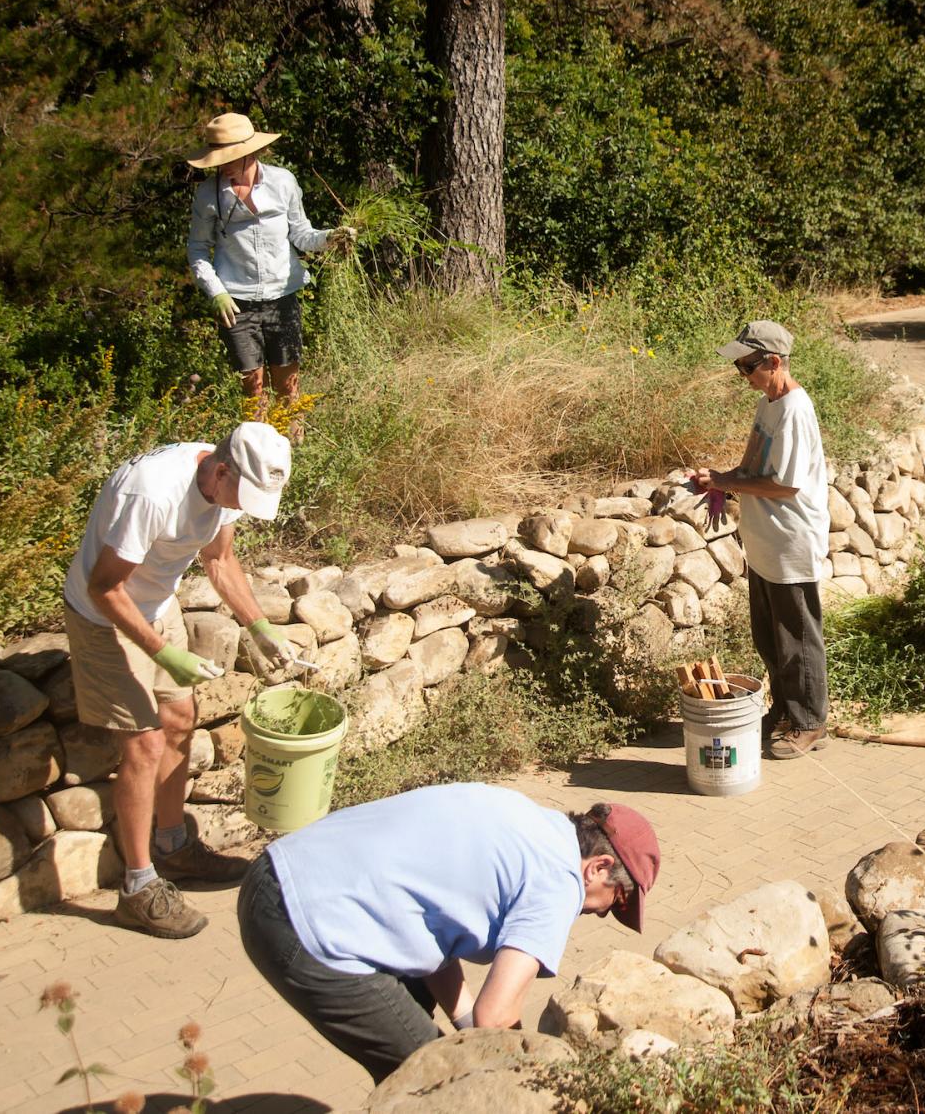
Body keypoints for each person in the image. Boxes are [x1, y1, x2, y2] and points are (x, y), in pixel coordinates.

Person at [238, 786, 660, 1082]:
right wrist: (529, 1078)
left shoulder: (533, 823)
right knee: (435, 1076)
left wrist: (466, 1024)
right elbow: (496, 1018)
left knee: (417, 1023)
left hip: (276, 875)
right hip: (308, 922)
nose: (603, 913)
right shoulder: (559, 881)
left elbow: (434, 937)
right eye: (616, 900)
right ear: (599, 867)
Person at [62, 422, 302, 938]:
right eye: (244, 494)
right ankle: (138, 887)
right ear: (220, 472)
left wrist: (261, 629)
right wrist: (166, 653)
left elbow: (220, 561)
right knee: (144, 745)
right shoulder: (151, 493)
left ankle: (174, 848)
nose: (242, 507)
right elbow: (103, 587)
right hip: (105, 616)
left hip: (154, 603)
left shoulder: (226, 483)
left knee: (179, 720)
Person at [687, 321, 832, 760]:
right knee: (771, 640)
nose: (743, 375)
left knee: (797, 640)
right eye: (738, 367)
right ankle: (785, 711)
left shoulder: (793, 410)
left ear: (774, 361)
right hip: (767, 542)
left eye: (748, 366)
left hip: (790, 542)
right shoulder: (770, 403)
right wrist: (721, 480)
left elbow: (784, 485)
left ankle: (810, 722)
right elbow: (754, 469)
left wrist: (729, 481)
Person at [185, 112, 355, 428]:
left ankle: (293, 449)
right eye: (219, 159)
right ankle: (257, 459)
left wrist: (330, 238)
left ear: (251, 152)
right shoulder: (208, 195)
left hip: (282, 296)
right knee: (253, 390)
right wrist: (216, 291)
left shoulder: (282, 182)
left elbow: (301, 234)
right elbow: (197, 249)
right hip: (236, 303)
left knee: (288, 386)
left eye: (230, 157)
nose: (224, 166)